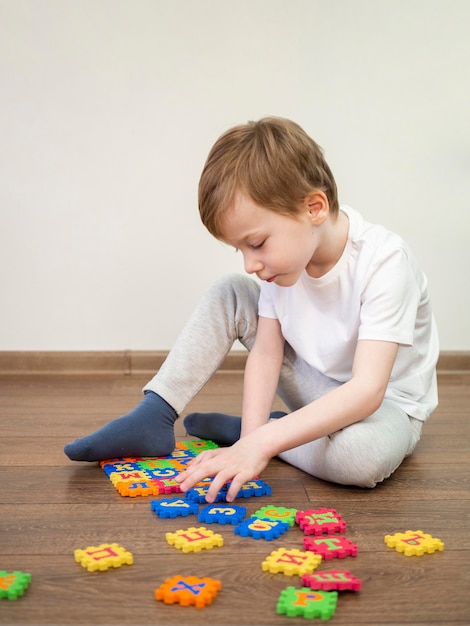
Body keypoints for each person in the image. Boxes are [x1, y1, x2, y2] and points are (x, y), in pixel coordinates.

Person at [64, 116, 439, 503]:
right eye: (240, 249)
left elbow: (366, 390)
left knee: (361, 459)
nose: (250, 264)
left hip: (385, 409)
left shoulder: (384, 262)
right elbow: (266, 351)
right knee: (230, 290)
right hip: (316, 390)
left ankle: (276, 433)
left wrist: (259, 443)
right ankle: (155, 413)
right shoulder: (282, 266)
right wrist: (248, 442)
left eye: (256, 243)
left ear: (314, 207)